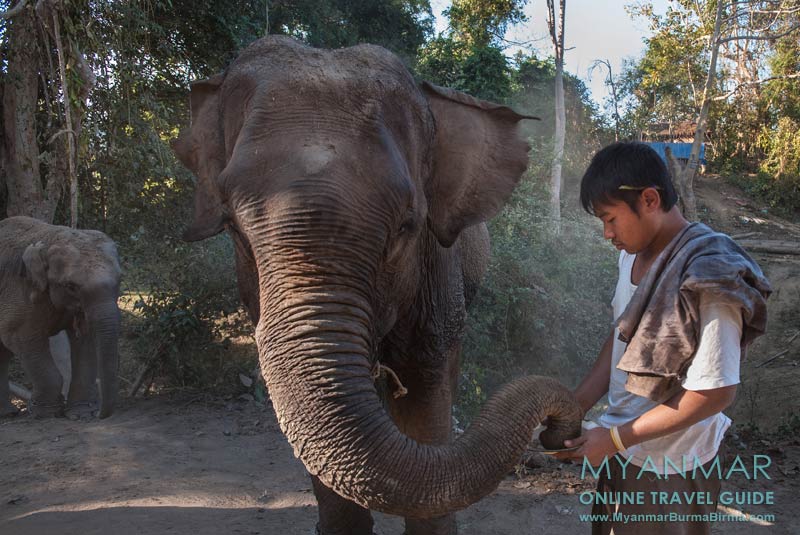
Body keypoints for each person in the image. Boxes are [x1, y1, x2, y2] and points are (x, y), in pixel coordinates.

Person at [560, 142, 771, 535]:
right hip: (624, 449)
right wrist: (577, 405)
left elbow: (715, 392)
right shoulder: (630, 256)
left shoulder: (709, 273)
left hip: (672, 465)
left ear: (650, 200)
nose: (607, 234)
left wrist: (616, 440)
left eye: (610, 219)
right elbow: (623, 337)